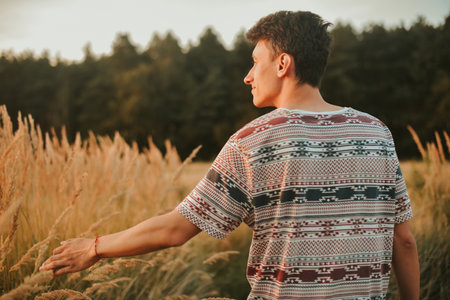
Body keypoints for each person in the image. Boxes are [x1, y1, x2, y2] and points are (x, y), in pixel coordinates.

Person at [40, 10, 420, 300]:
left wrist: (94, 247)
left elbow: (176, 229)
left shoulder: (252, 141)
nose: (247, 75)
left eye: (256, 61)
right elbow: (403, 240)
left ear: (283, 64)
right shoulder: (376, 132)